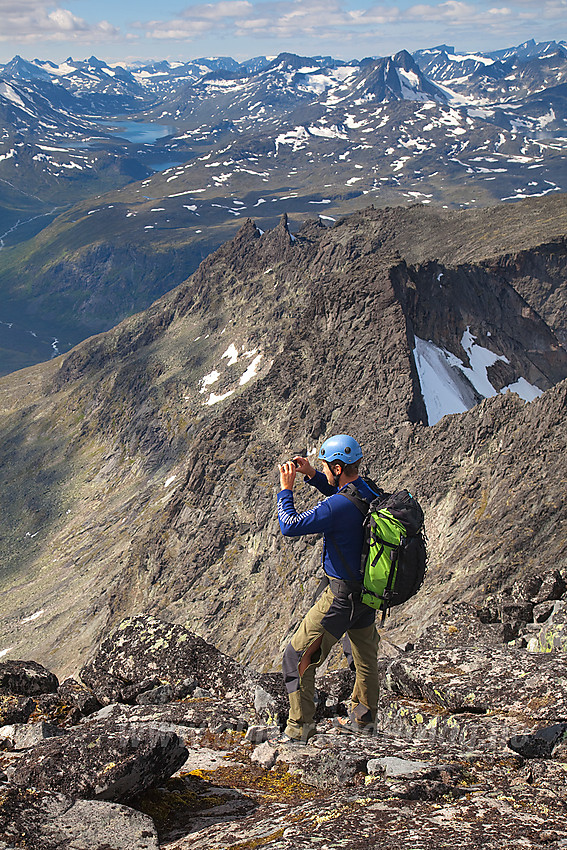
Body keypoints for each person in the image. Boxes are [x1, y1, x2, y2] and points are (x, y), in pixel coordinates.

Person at [277, 434, 380, 743]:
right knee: (365, 658)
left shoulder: (337, 507)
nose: (322, 471)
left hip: (341, 597)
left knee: (295, 657)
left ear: (337, 467)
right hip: (368, 593)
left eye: (324, 467)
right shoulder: (368, 490)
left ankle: (300, 728)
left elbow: (290, 525)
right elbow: (340, 493)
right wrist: (311, 474)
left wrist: (287, 491)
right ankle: (365, 722)